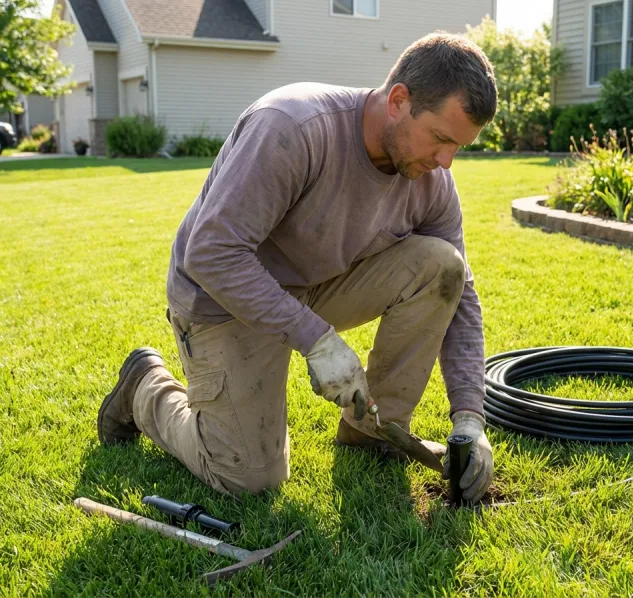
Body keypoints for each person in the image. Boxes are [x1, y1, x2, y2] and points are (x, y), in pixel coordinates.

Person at [97, 32, 497, 504]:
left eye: (459, 147)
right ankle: (146, 388)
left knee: (443, 266)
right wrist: (316, 338)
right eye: (441, 138)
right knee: (249, 477)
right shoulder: (292, 126)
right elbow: (211, 252)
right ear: (398, 100)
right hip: (223, 300)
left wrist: (470, 416)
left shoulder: (433, 181)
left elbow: (461, 293)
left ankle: (373, 430)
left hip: (312, 287)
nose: (446, 162)